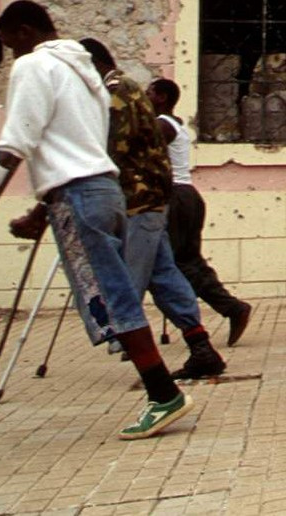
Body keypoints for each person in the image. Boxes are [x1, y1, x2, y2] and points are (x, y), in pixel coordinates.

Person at [0, 0, 193, 439]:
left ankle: (163, 394)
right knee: (115, 292)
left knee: (111, 297)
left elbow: (15, 144)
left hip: (80, 193)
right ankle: (163, 390)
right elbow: (75, 146)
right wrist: (43, 211)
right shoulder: (86, 74)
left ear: (24, 32)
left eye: (10, 45)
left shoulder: (33, 67)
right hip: (105, 189)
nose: (11, 55)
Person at [79, 39, 226, 380]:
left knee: (130, 277)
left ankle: (143, 360)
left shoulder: (115, 91)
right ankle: (201, 347)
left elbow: (114, 147)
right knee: (164, 275)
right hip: (148, 197)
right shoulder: (123, 88)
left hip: (139, 198)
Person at [146, 78, 252, 346]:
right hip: (186, 195)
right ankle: (231, 308)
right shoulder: (175, 125)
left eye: (149, 93)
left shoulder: (162, 125)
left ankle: (225, 310)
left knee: (173, 263)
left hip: (175, 197)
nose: (145, 97)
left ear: (162, 97)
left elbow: (143, 152)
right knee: (189, 261)